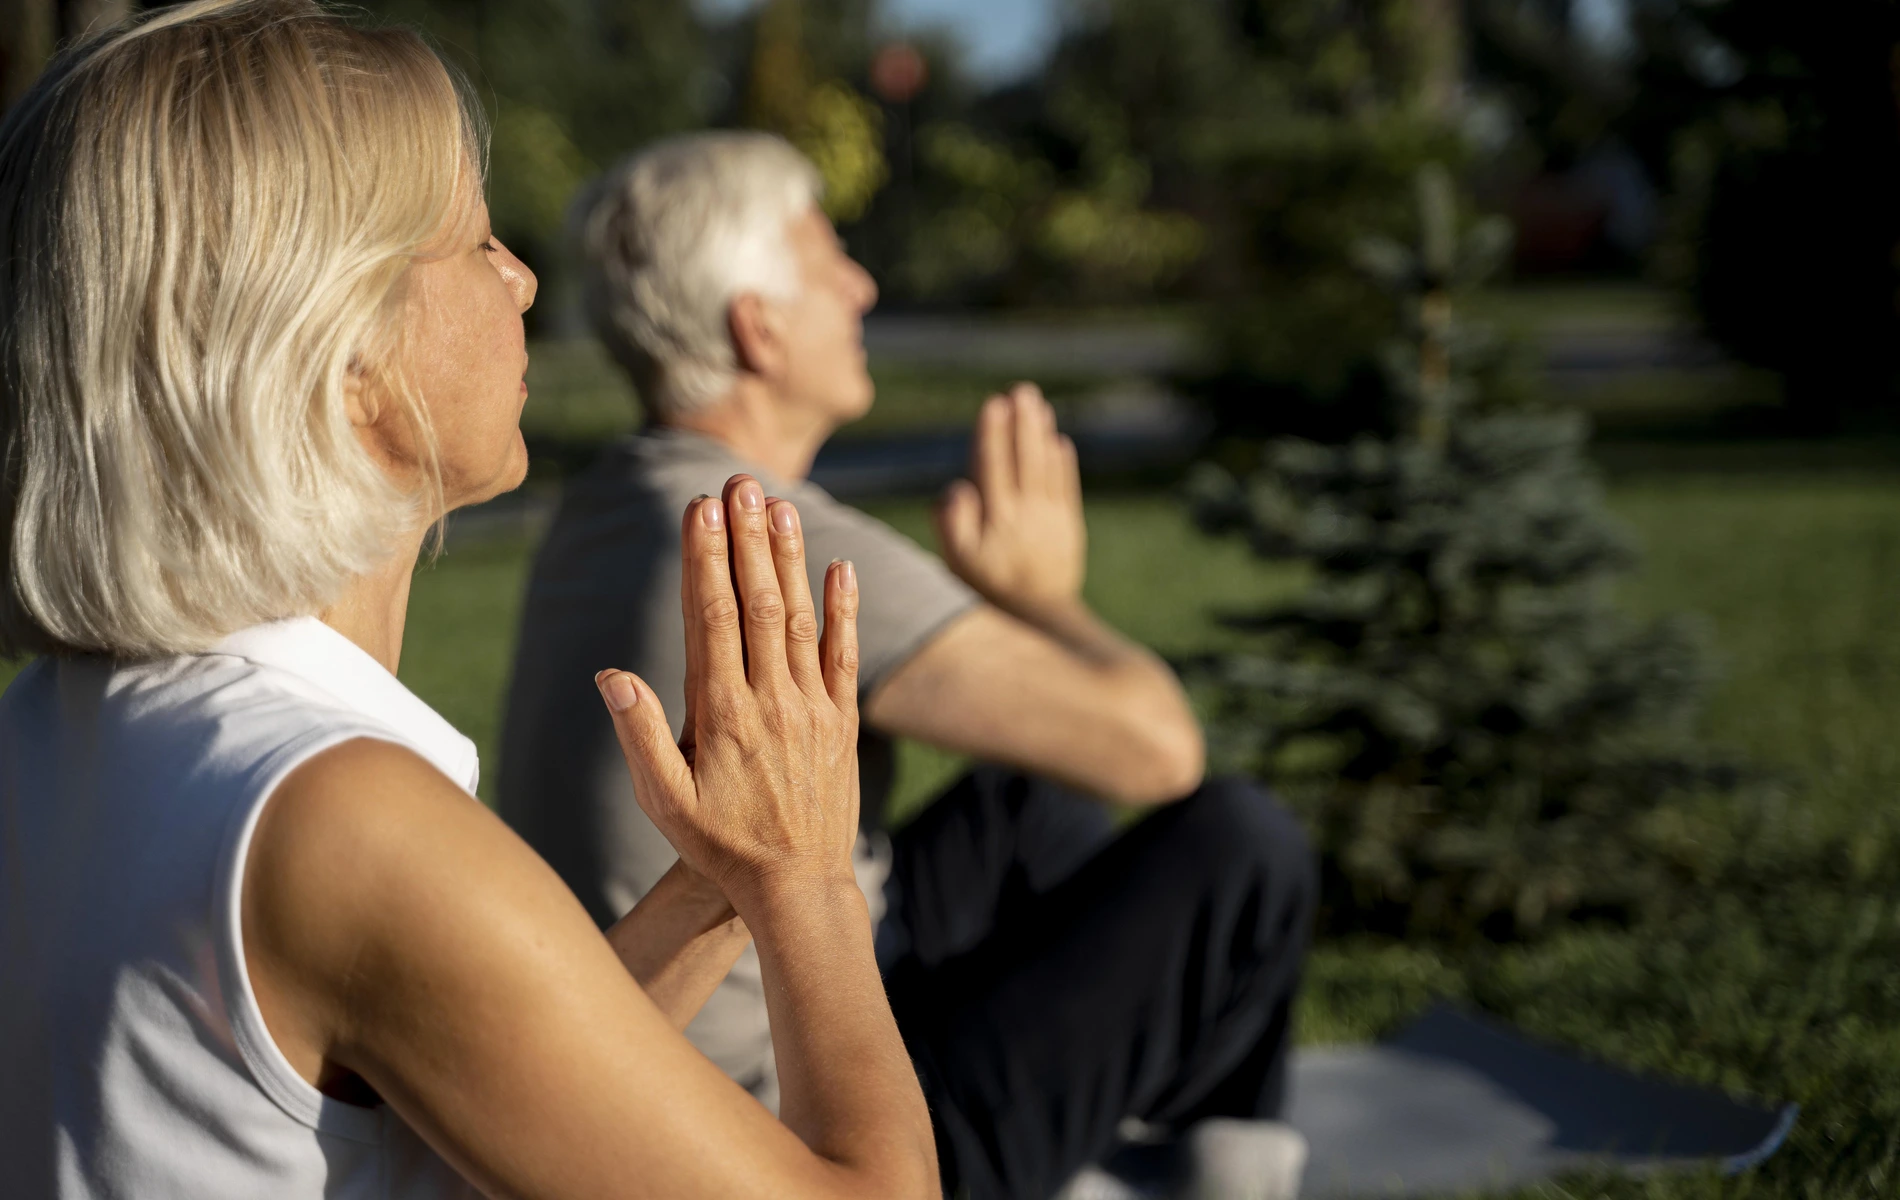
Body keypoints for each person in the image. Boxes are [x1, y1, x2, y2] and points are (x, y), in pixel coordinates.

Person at [0, 5, 939, 1198]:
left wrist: (717, 886)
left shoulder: (56, 725)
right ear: (339, 353)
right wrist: (806, 878)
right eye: (474, 240)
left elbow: (453, 1117)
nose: (524, 277)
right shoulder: (340, 819)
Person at [500, 133, 1319, 1200]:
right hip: (779, 1118)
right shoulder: (766, 535)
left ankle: (1123, 1132)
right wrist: (1042, 594)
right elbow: (1158, 753)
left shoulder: (611, 505)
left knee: (1032, 806)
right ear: (760, 325)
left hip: (674, 1049)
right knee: (1240, 846)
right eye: (828, 257)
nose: (862, 283)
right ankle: (1210, 1173)